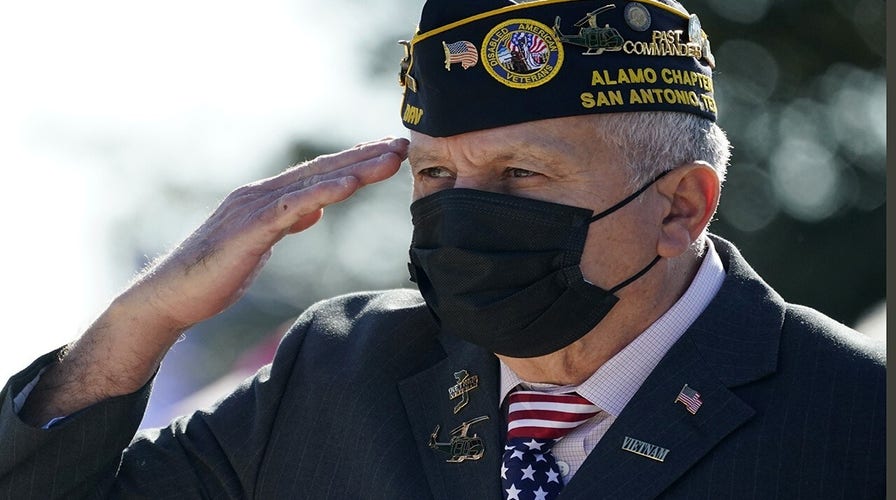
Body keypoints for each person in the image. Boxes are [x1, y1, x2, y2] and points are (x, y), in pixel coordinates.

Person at [1, 0, 885, 498]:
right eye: (432, 177)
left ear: (679, 207)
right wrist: (149, 316)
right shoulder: (340, 373)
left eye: (519, 175)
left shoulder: (857, 422)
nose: (463, 217)